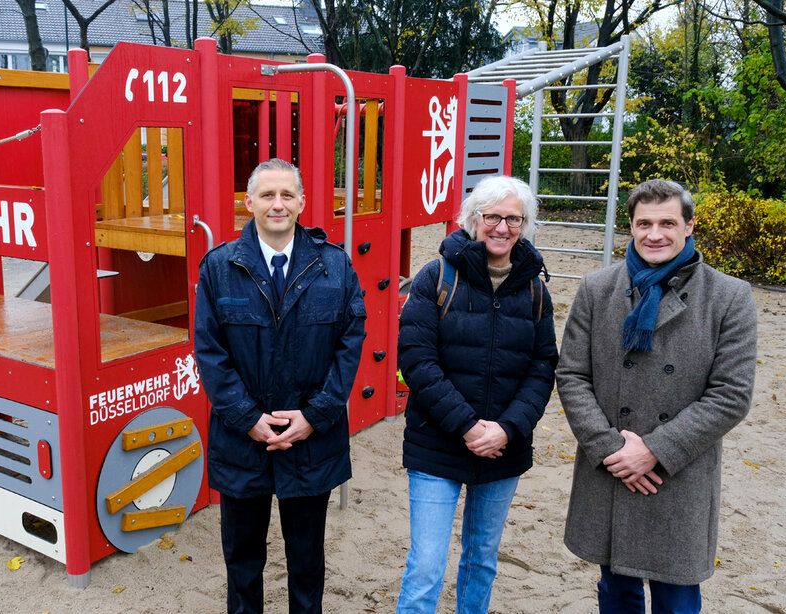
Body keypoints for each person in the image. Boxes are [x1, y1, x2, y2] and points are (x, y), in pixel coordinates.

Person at [557, 179, 757, 613]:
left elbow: (731, 395)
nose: (654, 234)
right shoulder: (597, 289)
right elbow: (571, 375)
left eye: (667, 223)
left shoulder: (728, 296)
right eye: (644, 223)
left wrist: (654, 451)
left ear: (689, 225)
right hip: (612, 469)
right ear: (631, 226)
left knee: (676, 598)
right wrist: (612, 449)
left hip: (677, 473)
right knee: (617, 593)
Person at [194, 158, 366, 614]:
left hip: (312, 440)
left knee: (307, 561)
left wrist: (315, 416)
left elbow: (349, 346)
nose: (277, 204)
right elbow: (209, 351)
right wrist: (246, 418)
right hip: (242, 441)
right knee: (242, 560)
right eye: (267, 195)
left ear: (302, 203)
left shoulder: (334, 266)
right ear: (248, 202)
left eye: (287, 194)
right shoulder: (219, 268)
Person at [396, 175, 558, 614]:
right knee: (426, 564)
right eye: (493, 217)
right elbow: (417, 361)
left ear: (524, 225)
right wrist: (467, 426)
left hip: (503, 446)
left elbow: (543, 366)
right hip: (437, 441)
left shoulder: (533, 288)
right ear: (472, 219)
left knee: (482, 559)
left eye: (513, 219)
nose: (502, 228)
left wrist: (507, 428)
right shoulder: (436, 277)